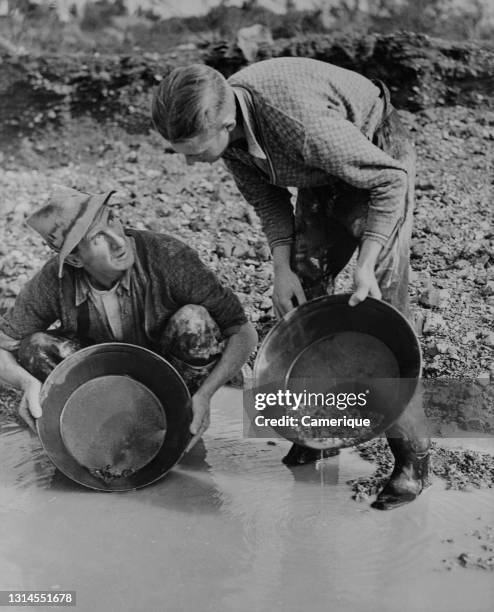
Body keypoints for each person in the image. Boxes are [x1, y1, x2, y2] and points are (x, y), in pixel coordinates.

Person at [151, 57, 430, 509]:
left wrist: (367, 261)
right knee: (304, 288)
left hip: (375, 158)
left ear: (225, 121)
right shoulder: (232, 137)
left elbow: (388, 181)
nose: (188, 162)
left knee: (384, 315)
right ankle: (323, 431)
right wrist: (281, 270)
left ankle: (411, 461)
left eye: (193, 149)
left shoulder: (300, 125)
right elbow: (268, 199)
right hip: (317, 170)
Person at [0, 186, 257, 451]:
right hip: (104, 385)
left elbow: (244, 333)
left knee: (194, 320)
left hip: (174, 378)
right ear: (75, 259)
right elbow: (3, 345)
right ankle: (99, 428)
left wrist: (205, 394)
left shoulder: (168, 256)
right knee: (34, 346)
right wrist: (26, 383)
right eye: (97, 237)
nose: (119, 240)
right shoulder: (55, 280)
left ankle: (182, 419)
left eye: (111, 219)